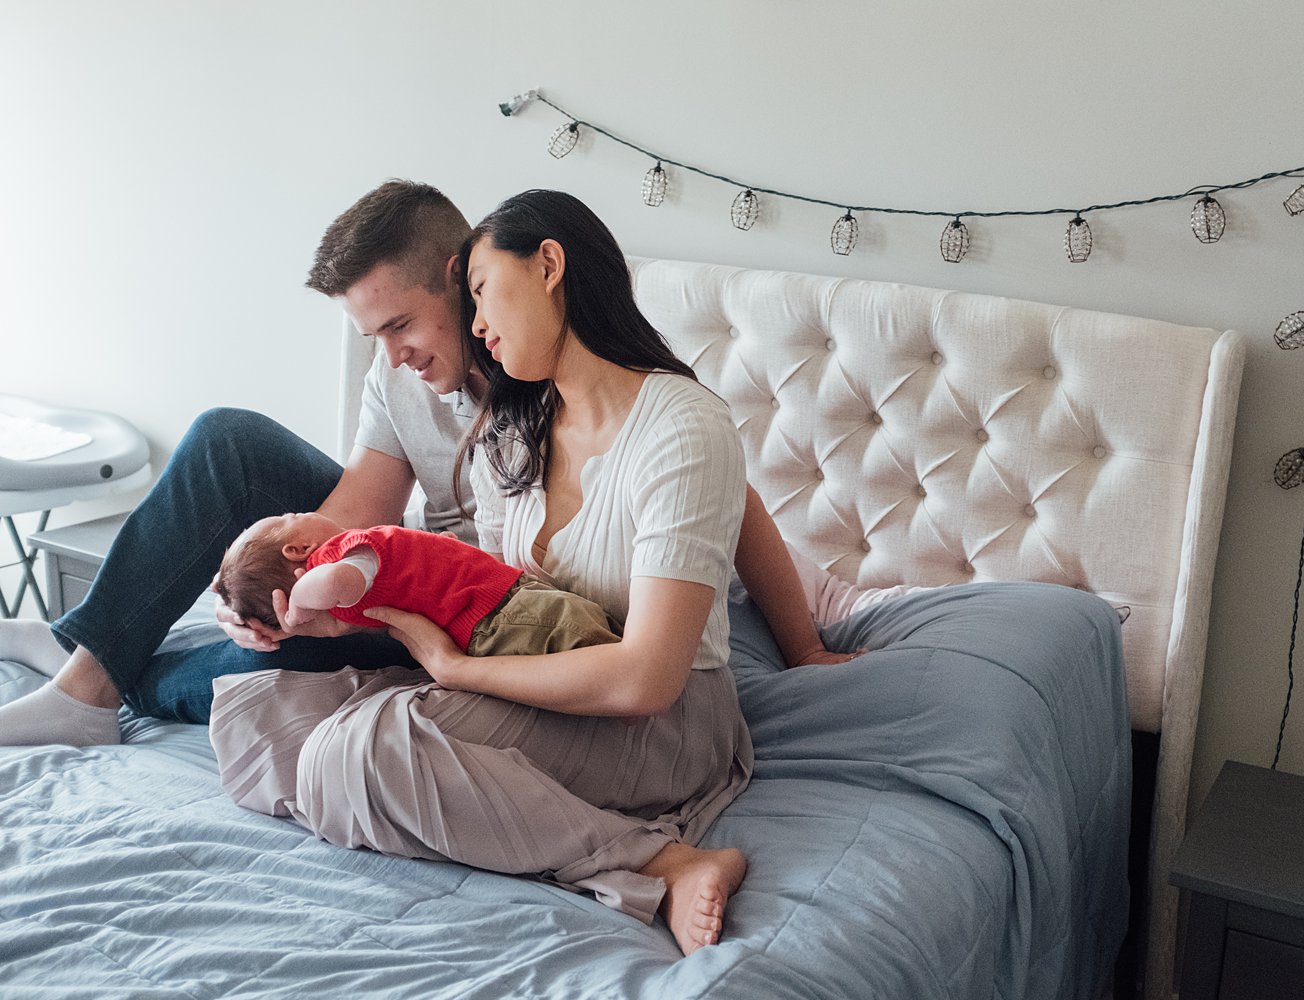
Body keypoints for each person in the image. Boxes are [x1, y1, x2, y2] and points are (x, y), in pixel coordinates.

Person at [0, 180, 854, 747]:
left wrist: (805, 648)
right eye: (373, 337)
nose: (394, 355)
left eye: (401, 325)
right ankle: (93, 663)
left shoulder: (562, 375)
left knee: (268, 670)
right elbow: (351, 515)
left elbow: (722, 491)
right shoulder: (397, 372)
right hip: (402, 562)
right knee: (228, 440)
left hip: (481, 608)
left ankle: (105, 661)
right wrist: (291, 578)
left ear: (463, 278)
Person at [210, 189, 761, 956]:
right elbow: (495, 597)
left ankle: (666, 864)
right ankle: (465, 801)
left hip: (661, 719)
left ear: (548, 266)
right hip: (539, 675)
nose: (474, 325)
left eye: (479, 293)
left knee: (357, 751)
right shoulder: (516, 428)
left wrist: (453, 673)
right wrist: (348, 614)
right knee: (255, 725)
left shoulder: (683, 427)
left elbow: (648, 682)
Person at [213, 512, 619, 658]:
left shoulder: (349, 589)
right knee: (580, 629)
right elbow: (337, 579)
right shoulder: (338, 558)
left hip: (494, 612)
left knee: (573, 631)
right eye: (294, 514)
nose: (306, 510)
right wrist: (300, 603)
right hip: (499, 613)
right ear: (299, 549)